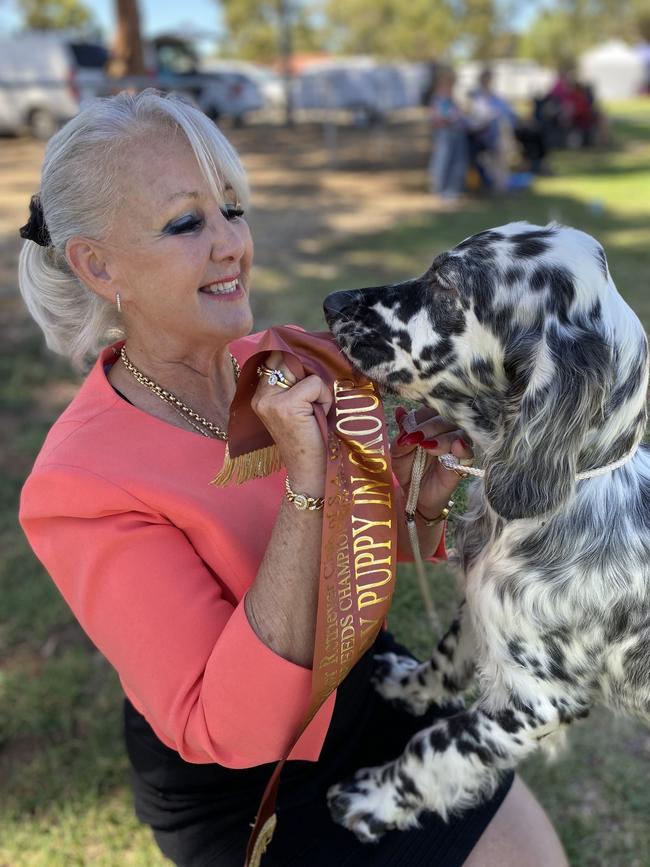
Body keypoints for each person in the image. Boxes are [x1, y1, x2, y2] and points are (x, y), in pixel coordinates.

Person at [18, 89, 568, 867]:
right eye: (185, 223)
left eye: (233, 211)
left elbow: (369, 555)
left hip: (361, 681)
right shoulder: (78, 484)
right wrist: (307, 488)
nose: (231, 245)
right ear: (98, 265)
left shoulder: (282, 360)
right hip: (251, 783)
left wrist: (420, 498)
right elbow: (232, 728)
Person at [428, 67, 469, 201]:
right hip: (445, 132)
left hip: (456, 131)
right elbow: (438, 116)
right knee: (443, 161)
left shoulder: (451, 96)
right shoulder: (439, 97)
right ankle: (440, 190)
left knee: (456, 162)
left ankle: (452, 190)